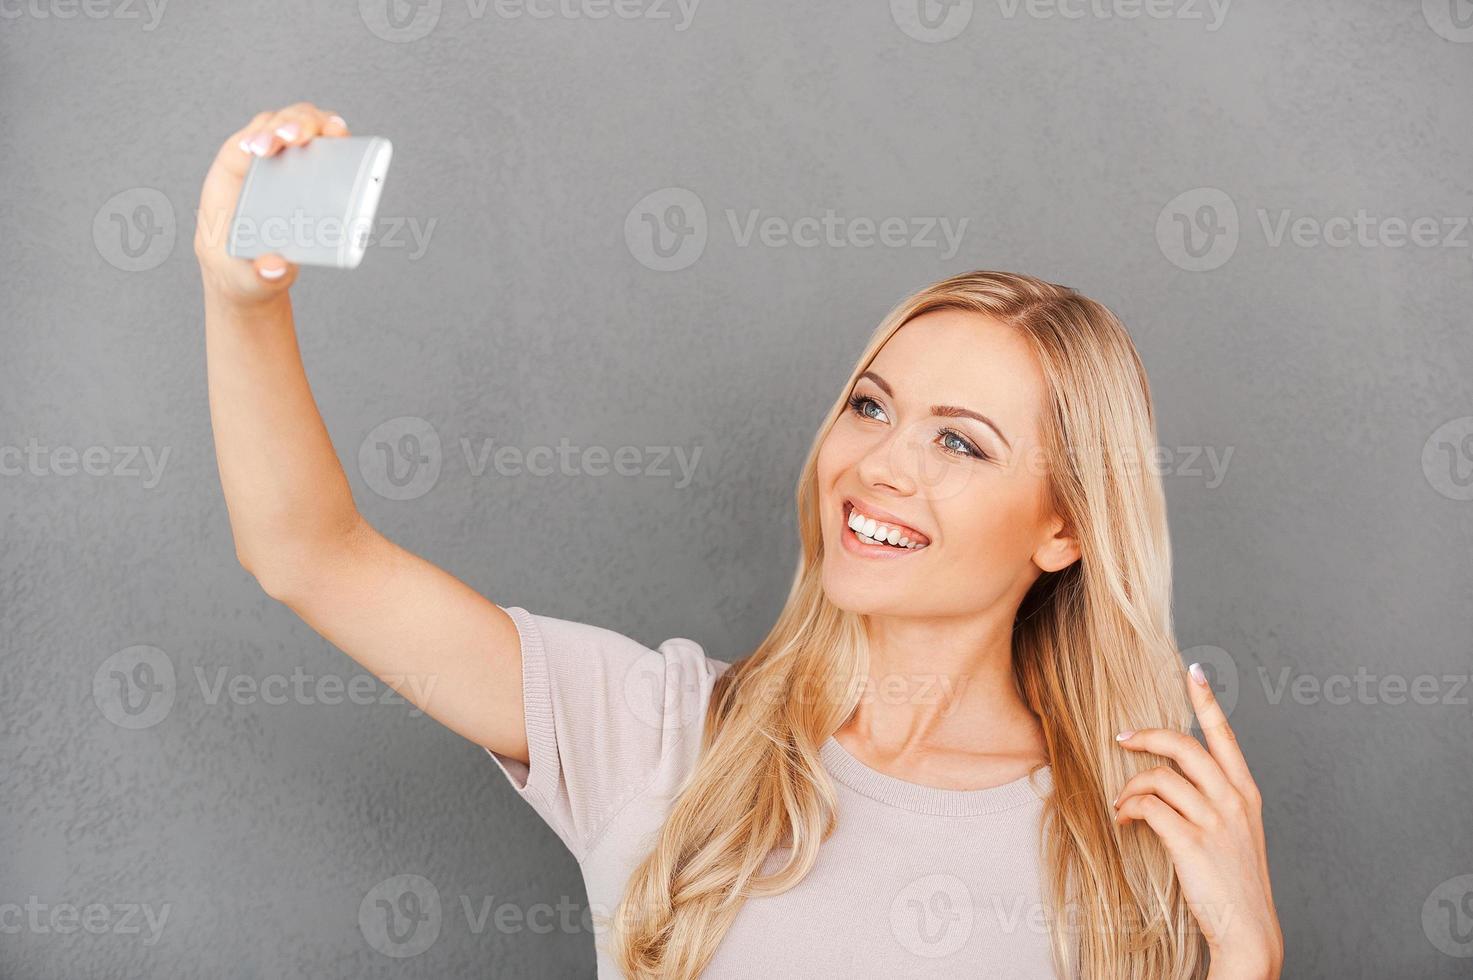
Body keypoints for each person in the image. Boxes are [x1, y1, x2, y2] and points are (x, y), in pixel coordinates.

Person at [195, 102, 1283, 979]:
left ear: (1064, 528)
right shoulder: (658, 728)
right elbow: (306, 551)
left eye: (960, 441)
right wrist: (243, 301)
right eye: (870, 405)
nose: (880, 465)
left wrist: (1247, 957)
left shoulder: (1124, 841)